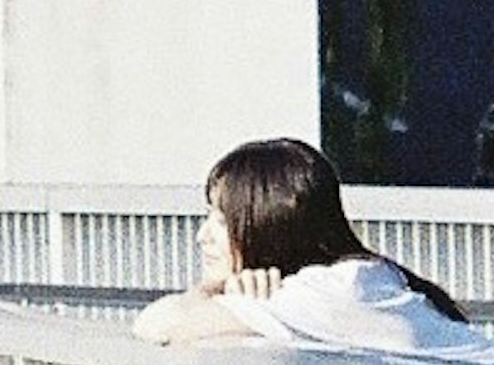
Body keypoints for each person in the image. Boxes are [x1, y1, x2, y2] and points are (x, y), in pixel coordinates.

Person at [135, 136, 473, 352]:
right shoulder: (355, 280)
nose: (202, 236)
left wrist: (211, 293)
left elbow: (160, 324)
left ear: (272, 224)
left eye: (221, 221)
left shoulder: (330, 292)